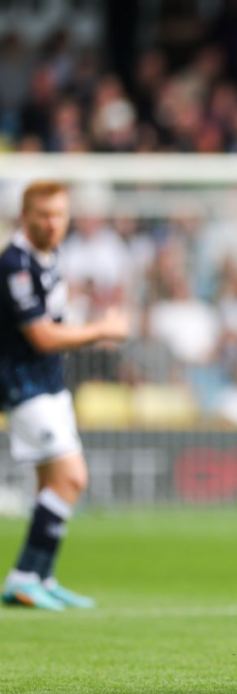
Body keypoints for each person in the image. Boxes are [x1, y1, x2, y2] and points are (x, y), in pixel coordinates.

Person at [1, 182, 130, 611]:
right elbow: (39, 335)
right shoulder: (16, 264)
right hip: (24, 383)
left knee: (49, 484)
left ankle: (39, 575)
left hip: (50, 383)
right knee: (72, 478)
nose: (53, 223)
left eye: (60, 215)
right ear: (26, 216)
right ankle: (23, 576)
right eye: (44, 215)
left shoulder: (47, 257)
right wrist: (102, 329)